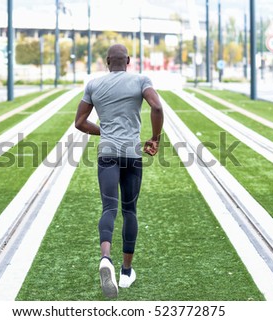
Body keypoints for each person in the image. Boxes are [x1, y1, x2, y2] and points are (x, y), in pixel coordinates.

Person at [75, 44, 164, 298]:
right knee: (129, 210)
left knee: (109, 209)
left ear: (106, 61)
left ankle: (105, 258)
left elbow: (80, 122)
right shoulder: (140, 80)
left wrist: (105, 131)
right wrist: (155, 138)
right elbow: (156, 107)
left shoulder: (93, 85)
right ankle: (126, 273)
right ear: (127, 60)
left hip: (107, 154)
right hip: (132, 155)